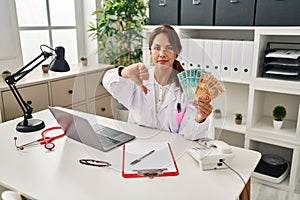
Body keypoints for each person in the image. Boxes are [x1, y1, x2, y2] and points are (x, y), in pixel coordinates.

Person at [103, 24, 213, 140]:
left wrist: (200, 118)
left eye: (169, 48)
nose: (162, 54)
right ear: (150, 52)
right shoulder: (138, 79)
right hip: (138, 146)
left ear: (176, 53)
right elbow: (108, 81)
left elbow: (188, 135)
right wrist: (124, 72)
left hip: (171, 149)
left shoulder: (188, 88)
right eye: (157, 48)